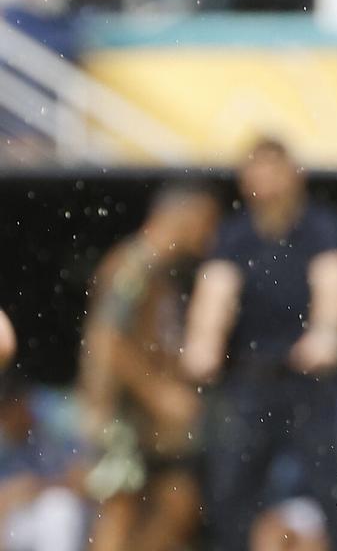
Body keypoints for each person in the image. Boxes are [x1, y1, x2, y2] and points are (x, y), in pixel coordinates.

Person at [182, 137, 337, 551]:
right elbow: (216, 294)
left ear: (294, 174)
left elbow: (334, 286)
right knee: (231, 491)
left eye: (272, 168)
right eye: (255, 169)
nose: (264, 180)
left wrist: (326, 334)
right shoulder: (234, 234)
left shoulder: (322, 225)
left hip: (307, 380)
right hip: (250, 377)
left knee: (326, 488)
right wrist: (202, 344)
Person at [77, 183, 221, 551]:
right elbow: (105, 341)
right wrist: (159, 394)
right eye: (207, 223)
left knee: (177, 504)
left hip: (151, 425)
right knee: (120, 511)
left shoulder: (162, 271)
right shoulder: (131, 265)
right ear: (185, 216)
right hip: (121, 418)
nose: (210, 235)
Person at [0, 373, 89, 551]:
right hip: (16, 520)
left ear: (21, 401)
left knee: (58, 508)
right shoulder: (4, 440)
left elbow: (84, 478)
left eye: (5, 410)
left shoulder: (57, 417)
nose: (4, 420)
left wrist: (36, 487)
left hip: (68, 513)